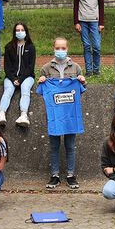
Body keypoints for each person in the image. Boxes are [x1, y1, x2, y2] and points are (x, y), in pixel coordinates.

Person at [37, 37, 88, 190]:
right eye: (57, 48)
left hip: (70, 114)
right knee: (54, 145)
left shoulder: (76, 67)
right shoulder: (46, 68)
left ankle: (71, 175)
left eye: (63, 48)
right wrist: (41, 81)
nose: (60, 50)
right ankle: (55, 175)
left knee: (70, 145)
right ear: (53, 48)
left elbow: (81, 89)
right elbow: (42, 91)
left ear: (67, 48)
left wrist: (82, 81)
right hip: (54, 114)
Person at [0, 22, 35, 128]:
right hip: (11, 77)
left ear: (26, 32)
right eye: (17, 30)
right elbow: (7, 67)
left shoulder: (31, 47)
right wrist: (13, 78)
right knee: (8, 91)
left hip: (27, 77)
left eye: (22, 30)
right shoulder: (9, 47)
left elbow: (30, 67)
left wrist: (21, 79)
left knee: (25, 90)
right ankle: (1, 114)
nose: (20, 32)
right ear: (14, 32)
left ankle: (23, 115)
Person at [74, 0, 105, 76]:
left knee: (96, 46)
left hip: (95, 21)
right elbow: (75, 6)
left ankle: (96, 69)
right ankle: (88, 70)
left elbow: (101, 5)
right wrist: (76, 22)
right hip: (82, 21)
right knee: (86, 46)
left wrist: (101, 23)